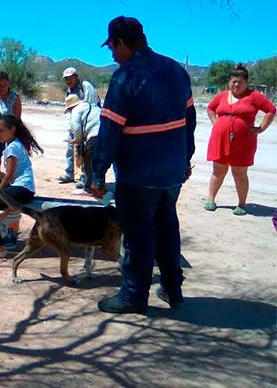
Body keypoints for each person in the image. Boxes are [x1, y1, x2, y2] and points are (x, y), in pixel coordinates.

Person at [91, 16, 196, 314]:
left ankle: (134, 296)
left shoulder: (126, 77)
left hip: (138, 175)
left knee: (138, 236)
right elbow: (190, 122)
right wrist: (185, 159)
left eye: (112, 46)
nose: (111, 53)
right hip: (171, 173)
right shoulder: (176, 70)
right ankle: (173, 289)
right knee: (167, 228)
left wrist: (97, 174)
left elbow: (110, 132)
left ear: (122, 43)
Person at [205, 64, 276, 215]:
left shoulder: (254, 96)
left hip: (244, 142)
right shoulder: (222, 95)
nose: (236, 84)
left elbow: (271, 110)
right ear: (229, 82)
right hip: (220, 139)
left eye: (240, 82)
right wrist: (215, 123)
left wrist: (261, 128)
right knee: (218, 170)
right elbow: (210, 108)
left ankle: (242, 204)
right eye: (233, 82)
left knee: (240, 172)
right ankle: (211, 199)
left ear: (246, 82)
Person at [0, 115, 43, 258]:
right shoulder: (15, 143)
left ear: (12, 129)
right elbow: (9, 177)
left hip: (22, 190)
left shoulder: (13, 147)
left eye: (2, 130)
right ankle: (8, 206)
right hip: (21, 189)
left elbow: (8, 176)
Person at [58, 67, 100, 186]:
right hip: (76, 121)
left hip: (86, 121)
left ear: (76, 77)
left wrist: (79, 133)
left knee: (82, 149)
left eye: (70, 78)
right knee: (70, 148)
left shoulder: (84, 86)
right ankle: (69, 173)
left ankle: (83, 176)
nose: (68, 80)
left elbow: (91, 102)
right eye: (66, 79)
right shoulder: (68, 91)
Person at [63, 92, 101, 196]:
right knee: (100, 163)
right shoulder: (92, 106)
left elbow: (76, 128)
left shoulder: (76, 110)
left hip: (94, 135)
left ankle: (88, 189)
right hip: (106, 134)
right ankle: (99, 187)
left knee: (88, 163)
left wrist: (76, 140)